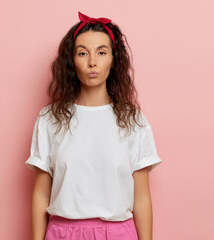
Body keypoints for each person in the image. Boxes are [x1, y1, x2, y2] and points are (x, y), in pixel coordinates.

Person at [25, 11, 163, 240]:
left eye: (101, 52)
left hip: (118, 233)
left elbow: (141, 197)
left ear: (113, 59)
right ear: (72, 61)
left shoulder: (133, 121)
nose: (92, 62)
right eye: (82, 53)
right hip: (62, 233)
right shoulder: (50, 119)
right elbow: (41, 194)